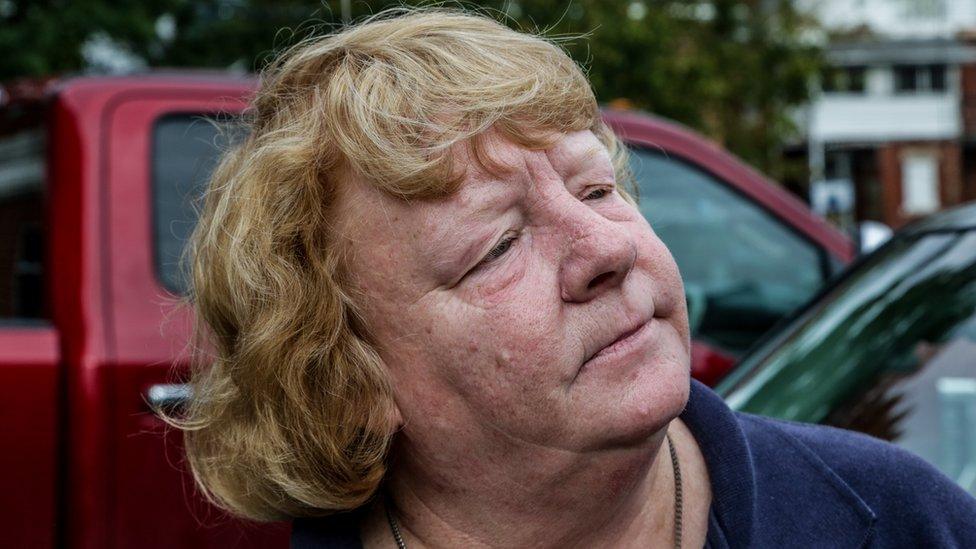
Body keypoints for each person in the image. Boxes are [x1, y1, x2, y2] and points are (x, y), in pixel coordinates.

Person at [174, 8, 976, 548]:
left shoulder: (897, 519)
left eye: (597, 188)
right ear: (346, 378)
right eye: (497, 246)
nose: (606, 248)